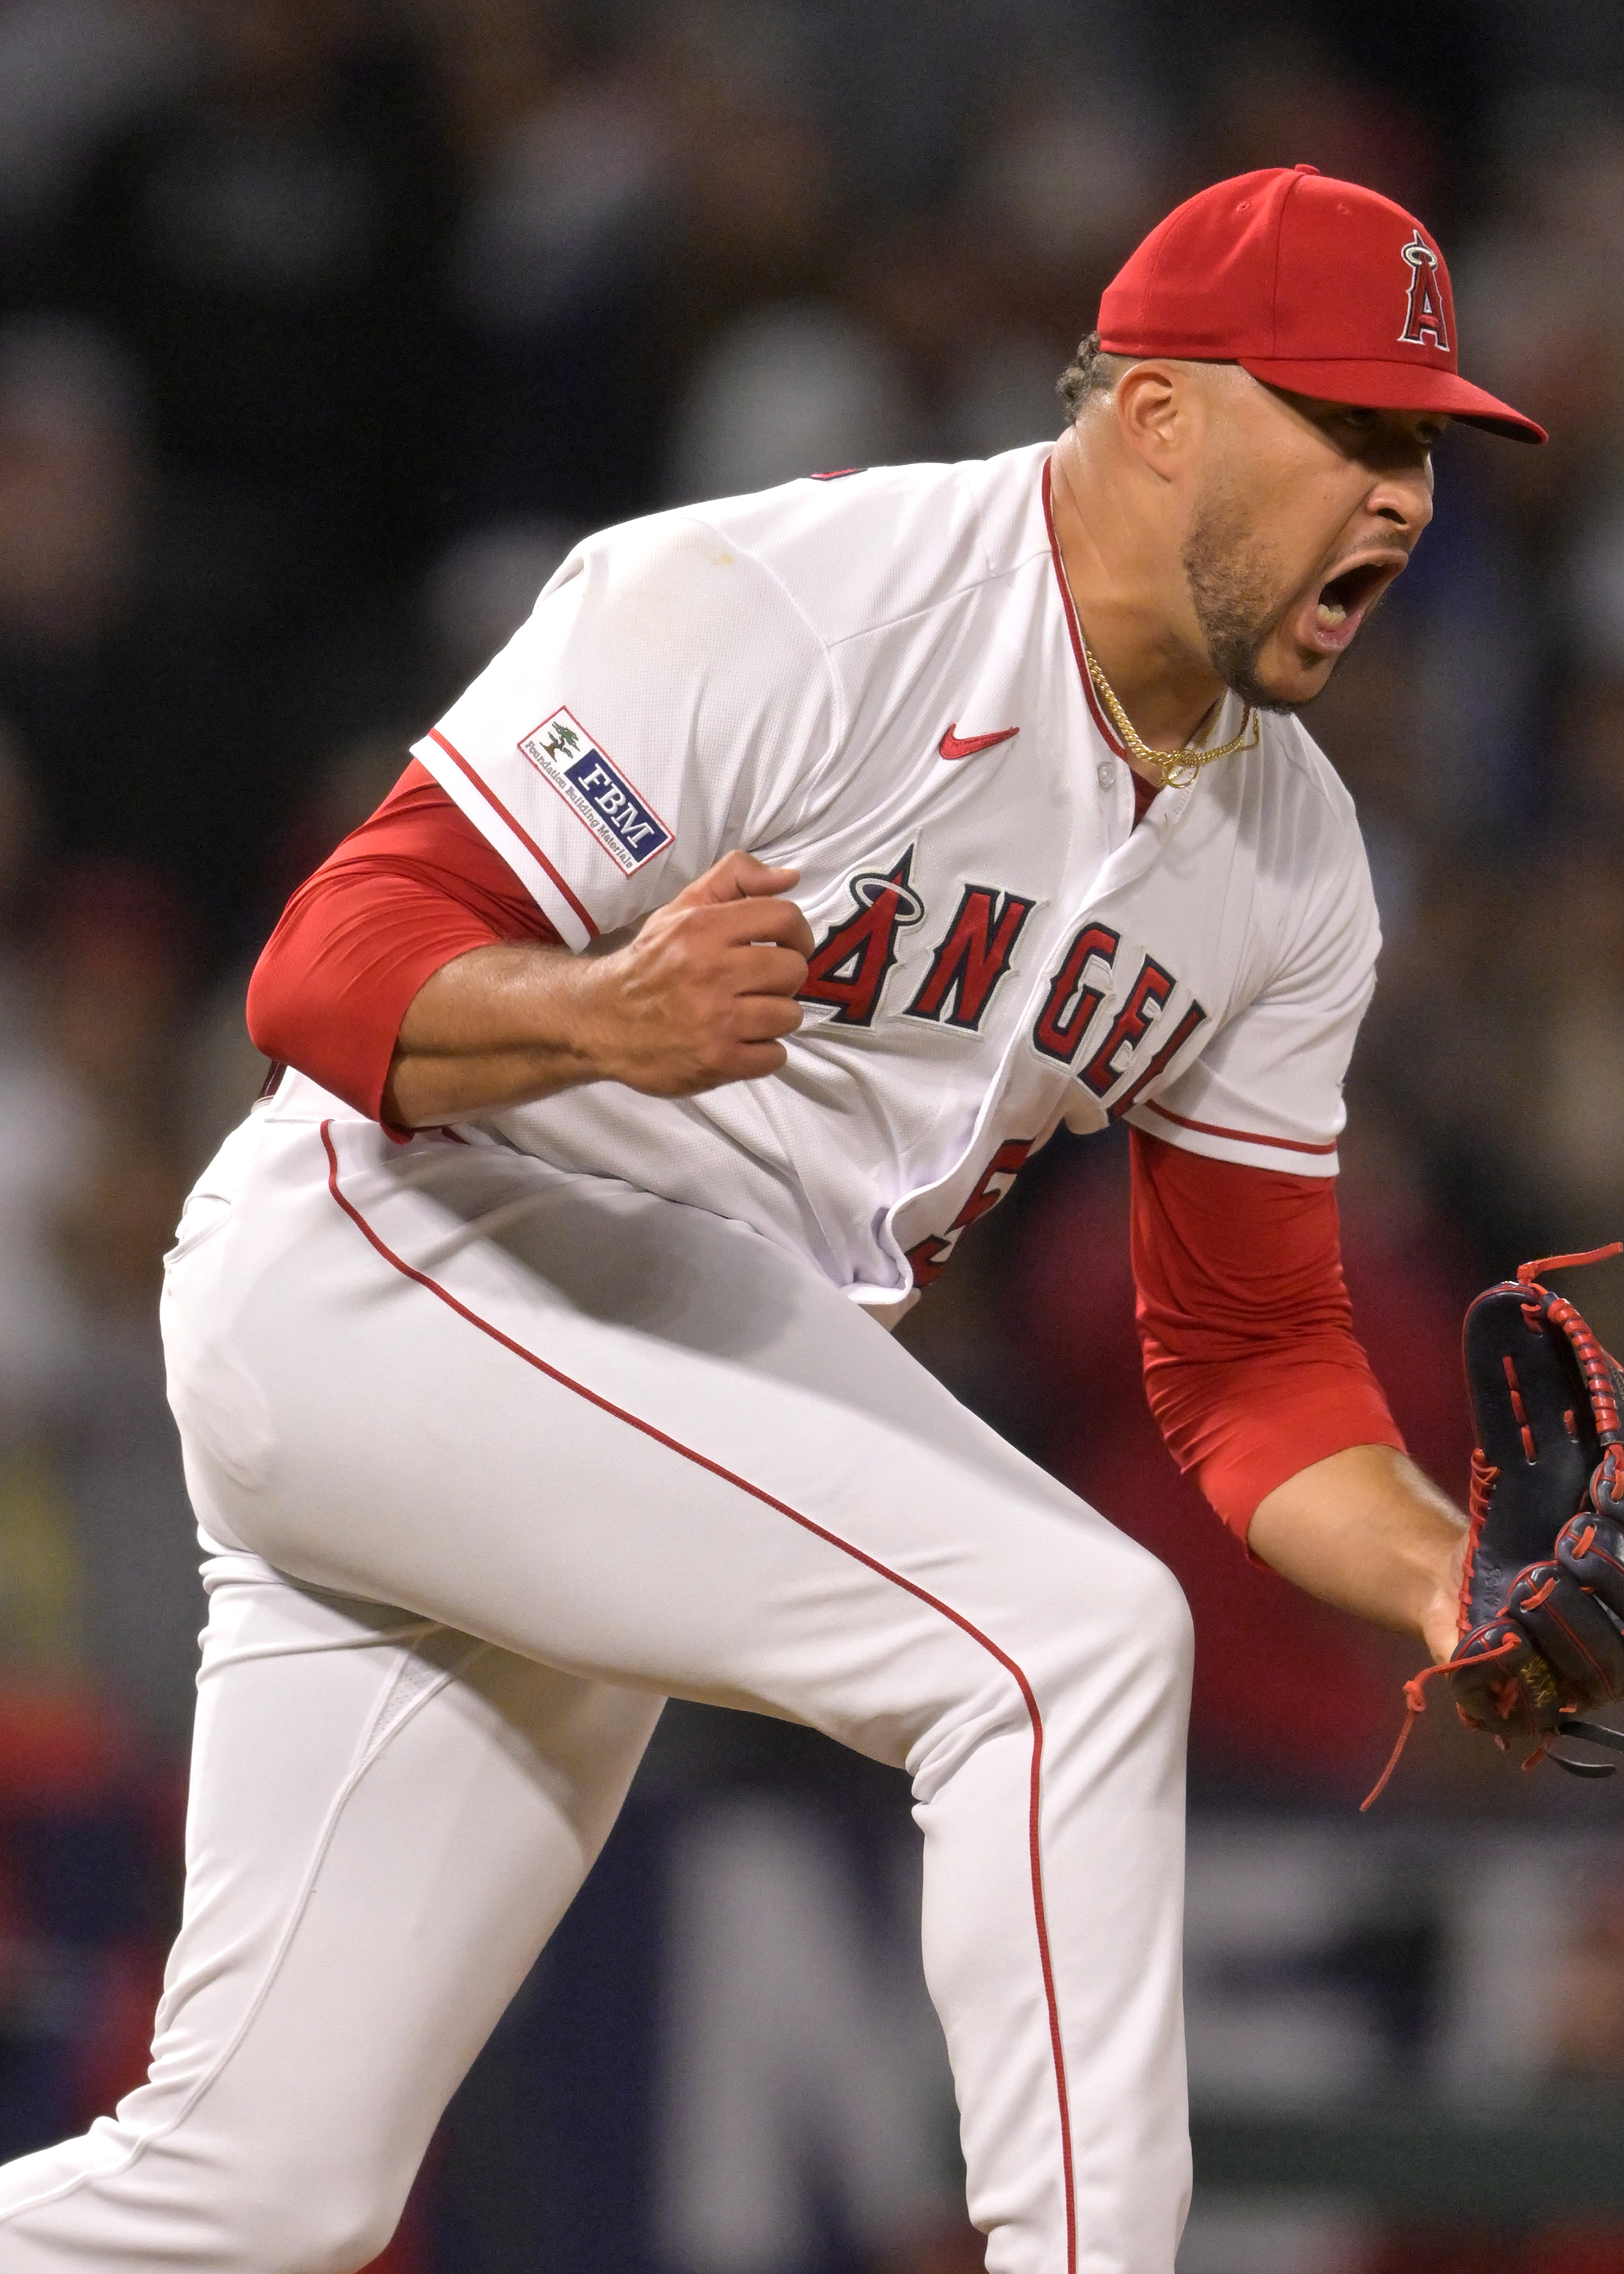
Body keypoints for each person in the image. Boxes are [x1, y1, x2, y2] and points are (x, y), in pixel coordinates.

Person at [0, 166, 1544, 2273]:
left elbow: (1251, 1357)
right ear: (1161, 409)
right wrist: (598, 1010)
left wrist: (1452, 1575)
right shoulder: (808, 600)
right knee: (1070, 1639)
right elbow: (323, 964)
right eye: (1353, 430)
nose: (1404, 497)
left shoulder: (1291, 867)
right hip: (411, 1254)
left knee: (259, 2192)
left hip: (653, 1398)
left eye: (1426, 448)